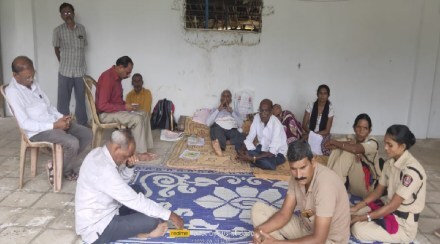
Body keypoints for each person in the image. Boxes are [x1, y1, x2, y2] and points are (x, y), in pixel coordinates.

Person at [75, 129, 184, 243]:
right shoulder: (104, 170)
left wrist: (129, 167)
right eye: (125, 156)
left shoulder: (97, 152)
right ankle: (144, 233)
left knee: (137, 189)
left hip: (106, 209)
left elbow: (117, 183)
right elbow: (134, 200)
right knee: (152, 221)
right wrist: (171, 215)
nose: (125, 160)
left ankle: (135, 225)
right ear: (116, 148)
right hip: (97, 228)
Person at [5, 56, 92, 182]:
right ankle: (65, 170)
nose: (31, 79)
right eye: (27, 77)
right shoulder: (13, 92)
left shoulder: (34, 84)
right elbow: (25, 123)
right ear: (15, 75)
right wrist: (54, 126)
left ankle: (56, 164)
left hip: (51, 122)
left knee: (86, 134)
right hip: (37, 131)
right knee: (72, 142)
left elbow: (48, 106)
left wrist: (60, 117)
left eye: (32, 75)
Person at [251, 140, 350, 243]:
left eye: (303, 167)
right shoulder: (297, 178)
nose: (298, 175)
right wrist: (260, 230)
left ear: (313, 161)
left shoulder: (325, 185)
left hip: (327, 240)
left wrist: (276, 243)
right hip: (305, 227)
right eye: (293, 169)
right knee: (258, 211)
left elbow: (319, 239)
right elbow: (284, 214)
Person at [351, 125, 426, 243]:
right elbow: (378, 191)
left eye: (390, 145)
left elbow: (392, 206)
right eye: (385, 143)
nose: (385, 148)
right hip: (388, 211)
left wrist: (361, 218)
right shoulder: (390, 162)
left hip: (402, 225)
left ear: (402, 146)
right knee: (351, 212)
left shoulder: (411, 173)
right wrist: (357, 206)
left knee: (357, 228)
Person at [95, 56, 155, 160]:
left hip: (114, 110)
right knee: (137, 119)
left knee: (143, 114)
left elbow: (116, 100)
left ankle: (145, 147)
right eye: (127, 72)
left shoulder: (117, 78)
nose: (128, 75)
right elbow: (102, 105)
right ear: (120, 67)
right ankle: (139, 153)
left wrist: (127, 106)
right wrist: (123, 107)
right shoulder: (107, 78)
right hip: (105, 114)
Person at [325, 113, 380, 198]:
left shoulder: (373, 142)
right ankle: (333, 186)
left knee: (349, 151)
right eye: (358, 127)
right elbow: (328, 146)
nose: (361, 131)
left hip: (367, 187)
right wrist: (347, 143)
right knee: (339, 149)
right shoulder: (350, 138)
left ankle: (333, 189)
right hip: (350, 184)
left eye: (365, 128)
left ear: (369, 131)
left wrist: (337, 142)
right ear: (354, 128)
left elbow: (354, 149)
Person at [53, 2, 88, 126]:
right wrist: (62, 62)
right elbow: (56, 48)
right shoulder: (58, 31)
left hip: (80, 71)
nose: (67, 15)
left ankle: (83, 123)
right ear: (61, 15)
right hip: (65, 72)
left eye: (69, 12)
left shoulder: (81, 29)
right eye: (64, 13)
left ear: (73, 13)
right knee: (63, 101)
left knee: (81, 100)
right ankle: (63, 124)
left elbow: (84, 46)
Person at [236, 99, 287, 170]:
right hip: (262, 148)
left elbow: (272, 152)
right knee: (238, 145)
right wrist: (242, 150)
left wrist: (252, 158)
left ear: (271, 111)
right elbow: (249, 138)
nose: (263, 114)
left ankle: (251, 160)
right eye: (261, 110)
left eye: (266, 111)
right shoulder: (257, 117)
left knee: (269, 164)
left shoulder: (277, 125)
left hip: (277, 154)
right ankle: (252, 159)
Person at [206, 89, 244, 156]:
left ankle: (224, 142)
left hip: (231, 130)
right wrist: (218, 110)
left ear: (230, 100)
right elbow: (208, 123)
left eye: (228, 96)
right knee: (215, 130)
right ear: (221, 99)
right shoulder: (215, 110)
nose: (225, 98)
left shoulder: (234, 111)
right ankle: (220, 148)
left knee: (243, 137)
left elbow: (240, 124)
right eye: (224, 96)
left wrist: (232, 112)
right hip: (219, 128)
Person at [301, 84, 334, 155]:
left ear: (328, 95)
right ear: (317, 94)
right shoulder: (311, 105)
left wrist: (313, 135)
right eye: (320, 93)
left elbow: (327, 130)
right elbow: (304, 125)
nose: (322, 96)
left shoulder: (330, 109)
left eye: (325, 93)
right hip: (309, 131)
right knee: (302, 149)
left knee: (324, 148)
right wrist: (311, 134)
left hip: (323, 134)